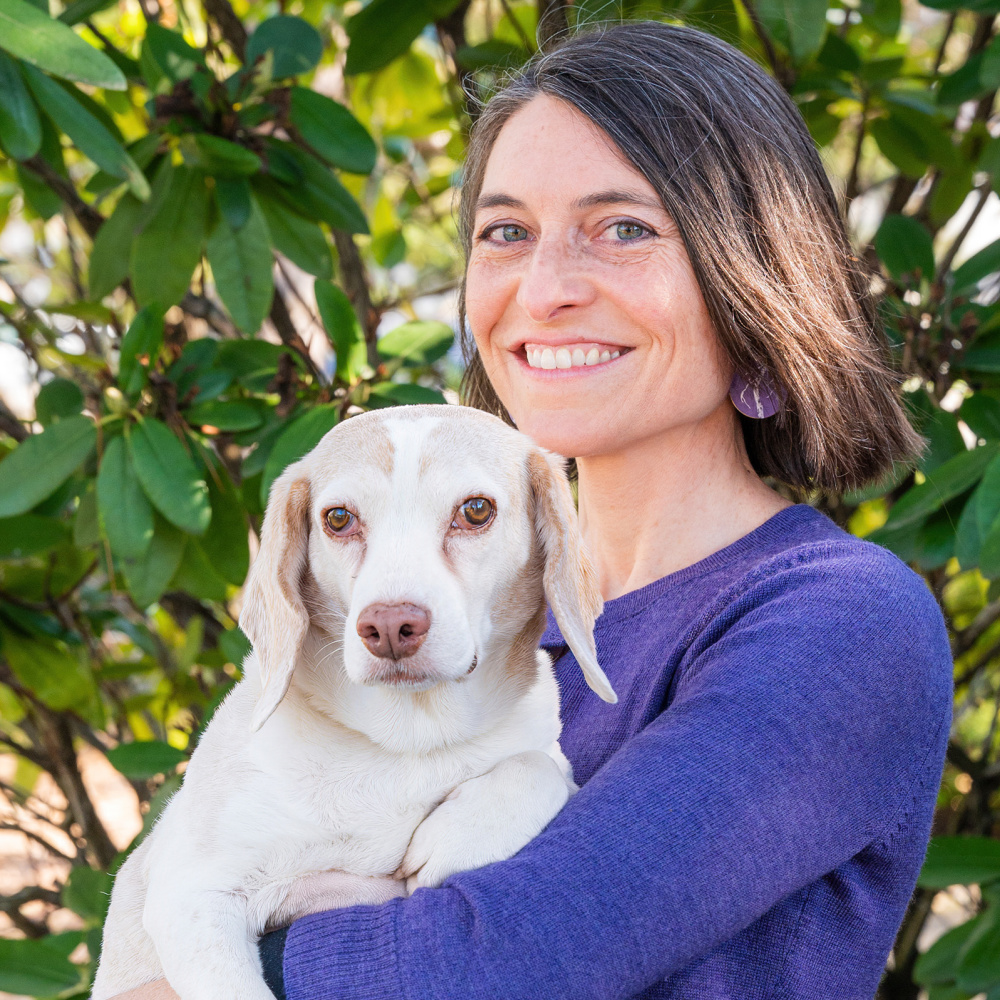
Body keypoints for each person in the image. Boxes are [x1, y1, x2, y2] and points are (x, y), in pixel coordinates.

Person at [112, 20, 953, 1000]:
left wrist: (215, 967)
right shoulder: (467, 629)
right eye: (505, 232)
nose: (544, 289)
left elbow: (501, 961)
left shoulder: (841, 622)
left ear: (750, 280)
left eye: (625, 228)